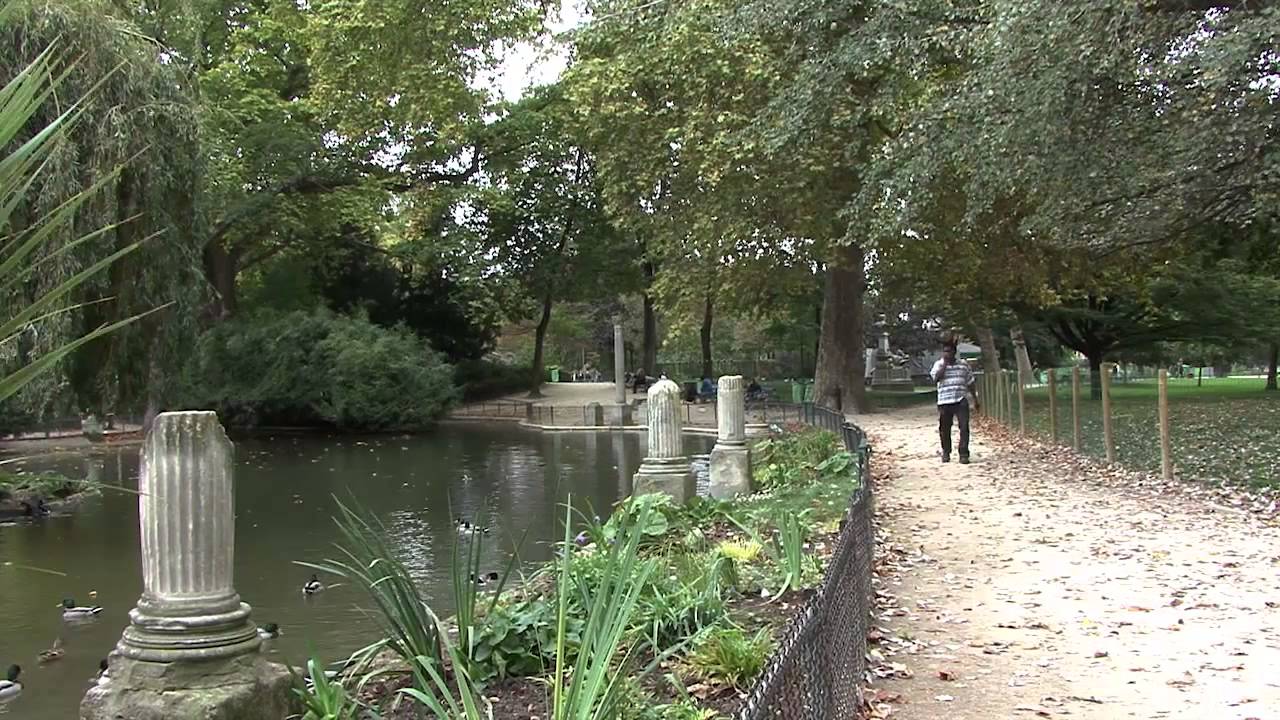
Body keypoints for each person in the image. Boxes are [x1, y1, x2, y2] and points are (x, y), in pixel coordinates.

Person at [931, 340, 979, 463]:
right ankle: (946, 451)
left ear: (954, 352)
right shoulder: (938, 364)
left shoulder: (963, 365)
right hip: (944, 401)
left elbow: (970, 382)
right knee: (944, 428)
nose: (947, 354)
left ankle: (963, 453)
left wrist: (975, 399)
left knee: (964, 427)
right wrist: (944, 365)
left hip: (960, 400)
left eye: (949, 351)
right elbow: (936, 379)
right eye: (945, 351)